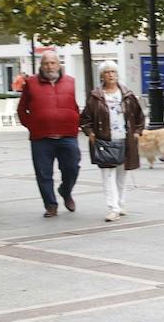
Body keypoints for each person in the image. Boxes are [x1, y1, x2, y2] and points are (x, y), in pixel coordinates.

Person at [16, 50, 81, 218]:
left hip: (68, 135)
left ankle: (65, 191)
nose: (49, 66)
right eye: (46, 63)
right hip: (41, 138)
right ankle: (50, 205)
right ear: (41, 65)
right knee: (43, 174)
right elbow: (22, 109)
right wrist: (32, 126)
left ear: (59, 64)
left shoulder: (71, 82)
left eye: (52, 63)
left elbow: (77, 105)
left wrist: (76, 122)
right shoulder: (31, 83)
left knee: (72, 168)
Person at [79, 60, 144, 222]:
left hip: (125, 139)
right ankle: (112, 207)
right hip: (104, 140)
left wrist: (137, 132)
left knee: (122, 174)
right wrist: (91, 133)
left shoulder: (127, 94)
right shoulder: (96, 96)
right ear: (102, 75)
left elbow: (139, 115)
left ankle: (120, 204)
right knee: (108, 174)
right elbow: (85, 118)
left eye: (113, 71)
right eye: (107, 72)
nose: (110, 75)